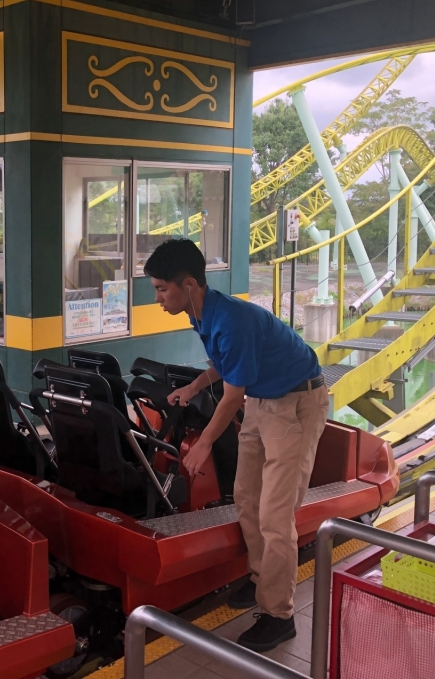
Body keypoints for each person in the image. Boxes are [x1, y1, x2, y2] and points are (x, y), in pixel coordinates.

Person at [143, 239, 327, 653]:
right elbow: (223, 365)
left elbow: (231, 397)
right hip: (264, 400)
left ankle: (279, 616)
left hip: (296, 403)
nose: (158, 299)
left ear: (189, 284)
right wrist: (191, 388)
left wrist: (204, 443)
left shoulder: (231, 319)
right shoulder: (202, 312)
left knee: (275, 515)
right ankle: (262, 578)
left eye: (161, 289)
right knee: (246, 497)